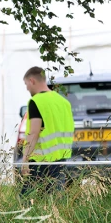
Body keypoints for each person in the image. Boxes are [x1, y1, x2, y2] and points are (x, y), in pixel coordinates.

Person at [19, 66, 74, 197]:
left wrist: (25, 159)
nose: (27, 88)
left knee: (26, 198)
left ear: (32, 81)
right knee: (55, 199)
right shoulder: (63, 102)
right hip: (60, 158)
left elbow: (34, 133)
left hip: (40, 161)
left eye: (26, 84)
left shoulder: (36, 102)